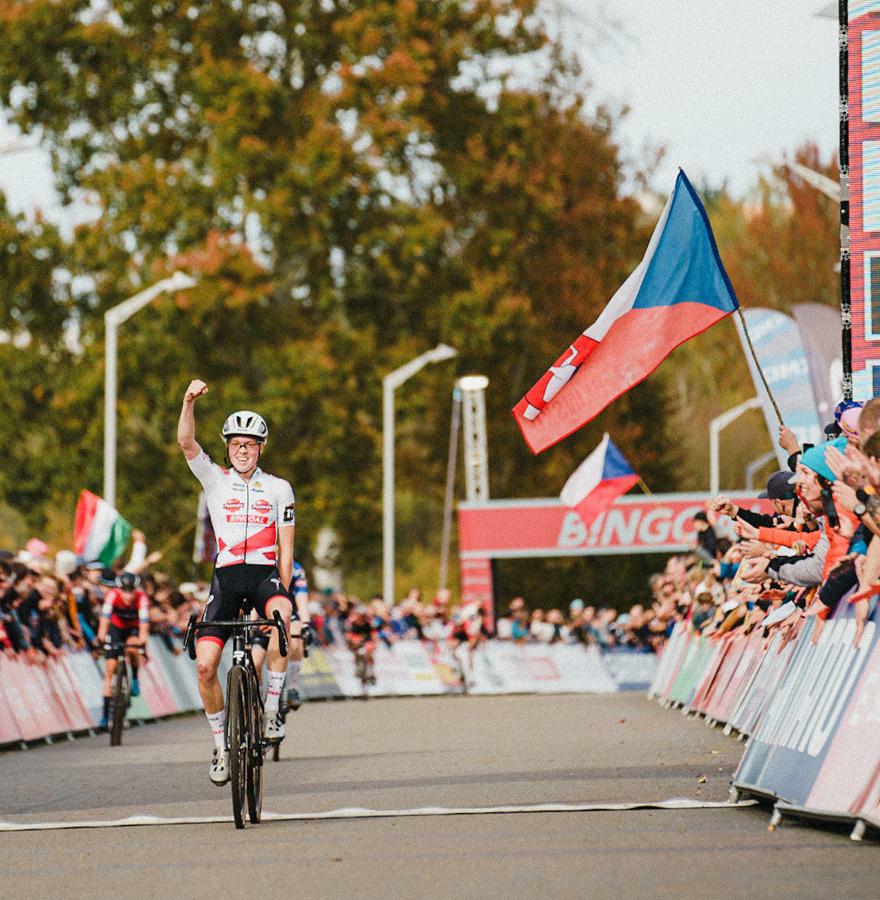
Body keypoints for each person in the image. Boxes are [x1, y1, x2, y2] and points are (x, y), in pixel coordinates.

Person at [177, 379, 296, 786]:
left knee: (284, 619)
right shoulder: (216, 480)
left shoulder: (280, 488)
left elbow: (286, 550)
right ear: (228, 447)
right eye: (235, 444)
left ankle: (273, 708)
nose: (242, 450)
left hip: (264, 577)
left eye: (249, 444)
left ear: (261, 447)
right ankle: (221, 746)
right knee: (206, 665)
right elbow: (185, 442)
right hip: (226, 581)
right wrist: (188, 401)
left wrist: (283, 592)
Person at [251, 559, 311, 711]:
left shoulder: (296, 569)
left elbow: (302, 600)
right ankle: (258, 699)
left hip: (288, 613)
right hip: (263, 615)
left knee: (296, 636)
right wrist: (251, 623)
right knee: (255, 662)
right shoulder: (258, 563)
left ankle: (292, 687)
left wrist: (305, 624)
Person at [95, 571, 150, 728]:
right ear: (118, 589)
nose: (128, 595)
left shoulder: (142, 598)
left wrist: (142, 641)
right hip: (116, 628)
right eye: (124, 591)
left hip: (133, 628)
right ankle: (105, 716)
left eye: (131, 590)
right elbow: (104, 620)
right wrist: (101, 637)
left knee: (133, 647)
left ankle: (135, 677)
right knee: (110, 670)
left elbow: (144, 626)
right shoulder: (112, 595)